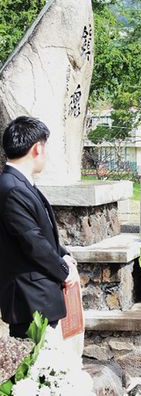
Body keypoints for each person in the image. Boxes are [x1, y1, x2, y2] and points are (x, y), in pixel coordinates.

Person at [0, 116, 78, 338]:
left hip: (37, 294)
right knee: (36, 366)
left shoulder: (20, 183)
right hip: (29, 297)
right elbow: (32, 241)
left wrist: (63, 254)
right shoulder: (13, 188)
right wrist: (64, 272)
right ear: (37, 148)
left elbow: (40, 231)